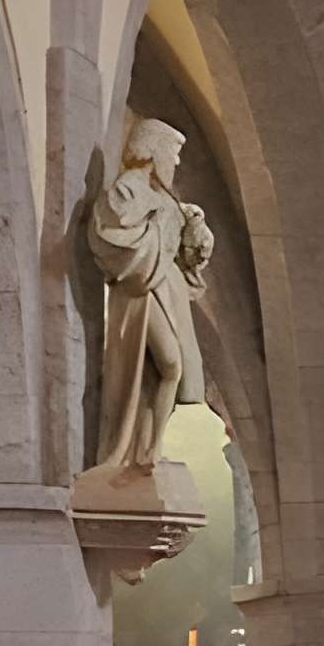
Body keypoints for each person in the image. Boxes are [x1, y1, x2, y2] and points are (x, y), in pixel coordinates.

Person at [88, 118, 212, 472]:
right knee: (170, 363)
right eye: (172, 153)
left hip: (166, 286)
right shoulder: (128, 189)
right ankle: (139, 453)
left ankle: (149, 451)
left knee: (163, 371)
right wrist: (156, 223)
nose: (175, 163)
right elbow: (111, 234)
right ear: (153, 148)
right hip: (142, 290)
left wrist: (195, 228)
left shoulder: (164, 198)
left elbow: (185, 253)